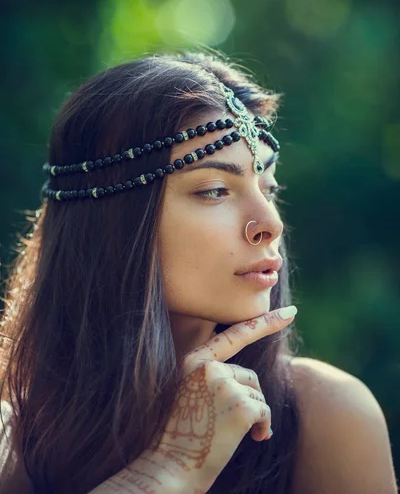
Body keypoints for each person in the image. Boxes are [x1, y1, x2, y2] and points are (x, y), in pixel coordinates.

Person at [0, 51, 397, 494]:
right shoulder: (12, 428)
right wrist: (171, 467)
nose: (270, 223)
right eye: (214, 190)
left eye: (269, 187)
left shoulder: (325, 414)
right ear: (112, 222)